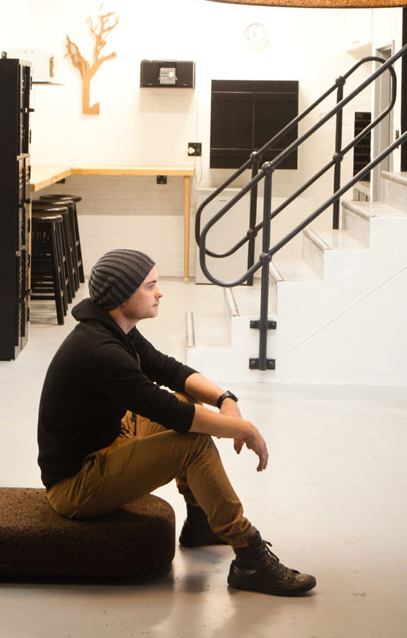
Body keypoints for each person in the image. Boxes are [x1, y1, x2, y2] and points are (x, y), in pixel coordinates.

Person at [37, 248, 316, 597]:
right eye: (150, 286)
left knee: (187, 402)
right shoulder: (101, 351)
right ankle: (250, 556)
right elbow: (171, 414)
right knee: (191, 441)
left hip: (108, 441)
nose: (160, 292)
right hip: (76, 485)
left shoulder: (114, 326)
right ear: (123, 296)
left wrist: (224, 399)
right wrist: (245, 429)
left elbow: (168, 369)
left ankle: (200, 523)